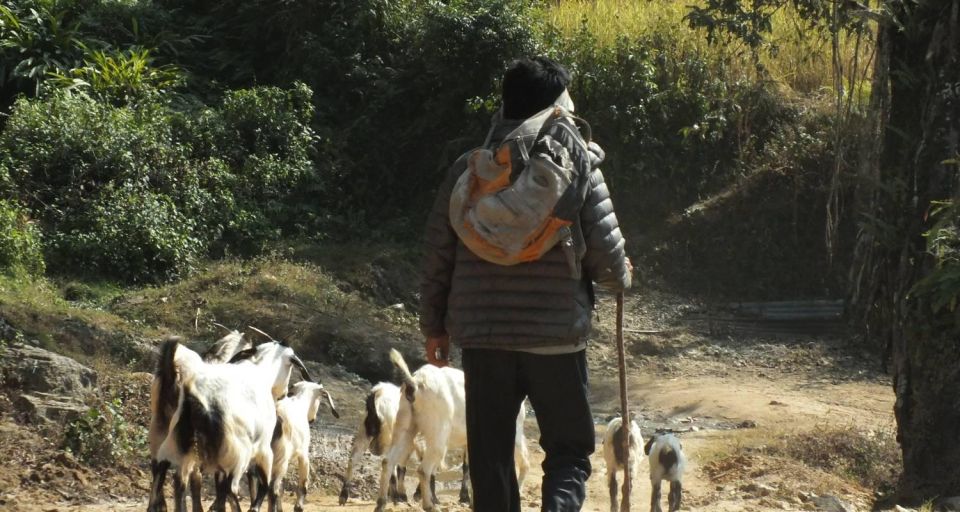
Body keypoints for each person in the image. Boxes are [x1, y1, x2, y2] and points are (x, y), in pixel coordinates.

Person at [418, 56, 631, 512]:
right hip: (555, 337)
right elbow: (609, 263)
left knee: (491, 455)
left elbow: (438, 255)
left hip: (483, 338)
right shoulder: (577, 170)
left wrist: (434, 326)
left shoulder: (467, 173)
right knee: (569, 451)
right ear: (559, 108)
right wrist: (622, 275)